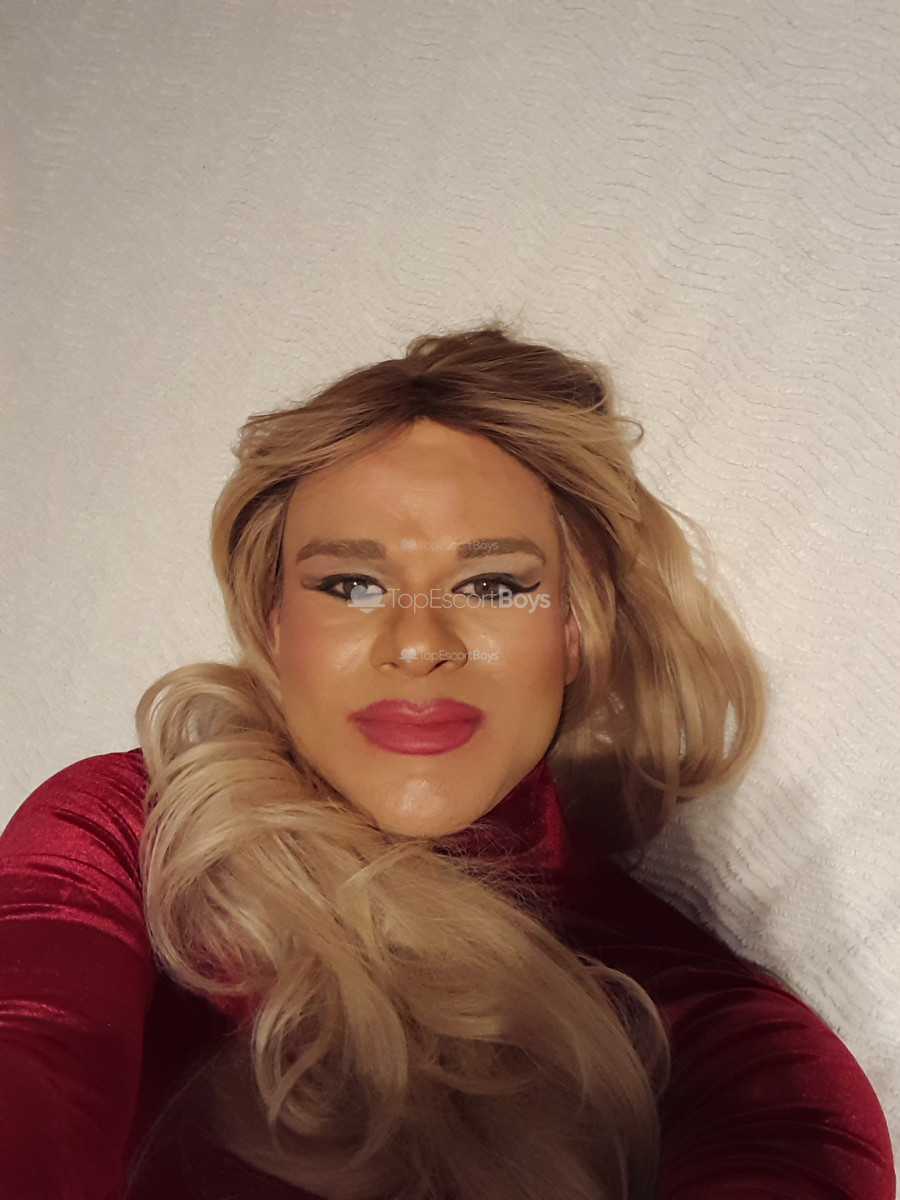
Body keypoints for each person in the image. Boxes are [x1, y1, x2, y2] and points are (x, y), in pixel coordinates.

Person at [0, 326, 893, 1200]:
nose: (419, 644)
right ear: (276, 630)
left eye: (493, 585)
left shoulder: (732, 1050)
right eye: (351, 585)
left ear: (573, 631)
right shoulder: (134, 836)